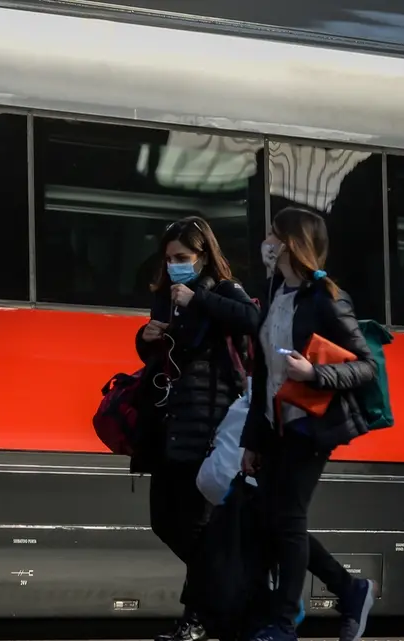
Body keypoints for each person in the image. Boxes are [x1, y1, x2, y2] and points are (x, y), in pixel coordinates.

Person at [240, 207, 379, 641]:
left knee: (289, 519)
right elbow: (263, 375)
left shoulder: (326, 298)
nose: (266, 242)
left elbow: (366, 365)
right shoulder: (275, 291)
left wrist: (314, 374)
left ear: (290, 242)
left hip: (310, 427)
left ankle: (283, 624)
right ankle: (349, 588)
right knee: (273, 520)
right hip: (274, 425)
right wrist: (252, 440)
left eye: (272, 235)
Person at [134, 216, 260, 641]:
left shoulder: (222, 290)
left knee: (197, 525)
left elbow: (251, 320)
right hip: (171, 423)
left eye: (183, 257)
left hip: (208, 425)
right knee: (165, 521)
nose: (174, 266)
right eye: (169, 258)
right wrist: (147, 335)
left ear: (203, 255)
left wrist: (197, 301)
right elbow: (164, 353)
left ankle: (199, 616)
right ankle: (224, 596)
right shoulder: (166, 296)